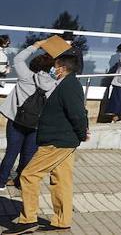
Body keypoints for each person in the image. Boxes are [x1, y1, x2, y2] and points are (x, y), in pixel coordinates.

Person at [9, 53, 89, 234]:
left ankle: (28, 220)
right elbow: (78, 110)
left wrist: (82, 133)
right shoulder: (66, 84)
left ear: (62, 68)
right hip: (61, 140)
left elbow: (77, 113)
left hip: (57, 142)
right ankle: (62, 220)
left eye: (55, 66)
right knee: (61, 180)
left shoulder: (69, 85)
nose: (53, 69)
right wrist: (81, 132)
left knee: (29, 176)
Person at [0, 41, 57, 189]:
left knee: (11, 152)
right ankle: (21, 183)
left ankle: (1, 182)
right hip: (37, 125)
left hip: (16, 121)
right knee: (28, 155)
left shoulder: (26, 76)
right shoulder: (54, 85)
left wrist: (36, 45)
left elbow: (18, 59)